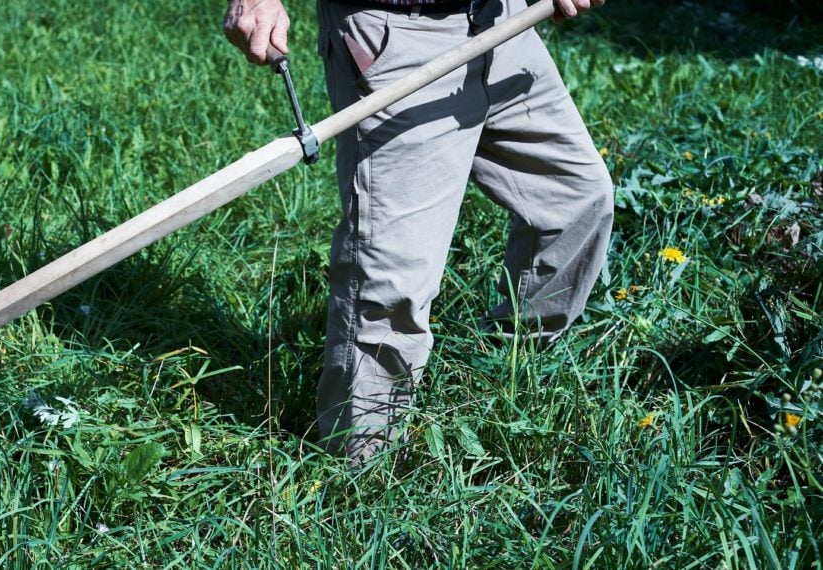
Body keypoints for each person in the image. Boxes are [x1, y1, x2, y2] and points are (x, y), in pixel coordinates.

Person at [223, 0, 613, 460]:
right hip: (396, 35)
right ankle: (360, 475)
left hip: (503, 21)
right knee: (392, 284)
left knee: (577, 199)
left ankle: (504, 370)